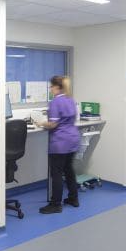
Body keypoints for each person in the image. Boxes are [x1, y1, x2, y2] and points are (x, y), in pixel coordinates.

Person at [34, 76, 81, 214]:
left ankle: (55, 204)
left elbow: (53, 124)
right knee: (69, 170)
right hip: (73, 139)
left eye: (51, 86)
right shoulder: (70, 99)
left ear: (57, 87)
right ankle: (73, 198)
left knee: (57, 174)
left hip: (61, 142)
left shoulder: (55, 102)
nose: (50, 89)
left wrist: (41, 123)